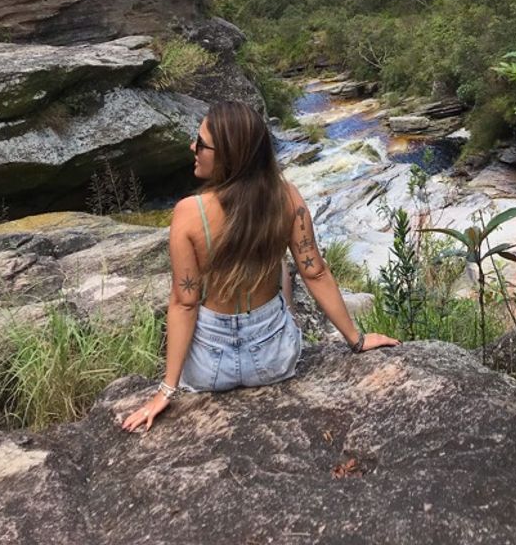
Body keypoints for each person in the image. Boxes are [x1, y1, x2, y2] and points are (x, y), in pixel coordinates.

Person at [122, 100, 399, 432]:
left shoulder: (188, 212)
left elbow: (185, 302)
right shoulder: (287, 198)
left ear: (227, 155)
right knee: (282, 267)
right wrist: (356, 339)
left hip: (210, 369)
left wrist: (166, 389)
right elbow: (315, 271)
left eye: (201, 144)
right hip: (274, 360)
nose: (192, 147)